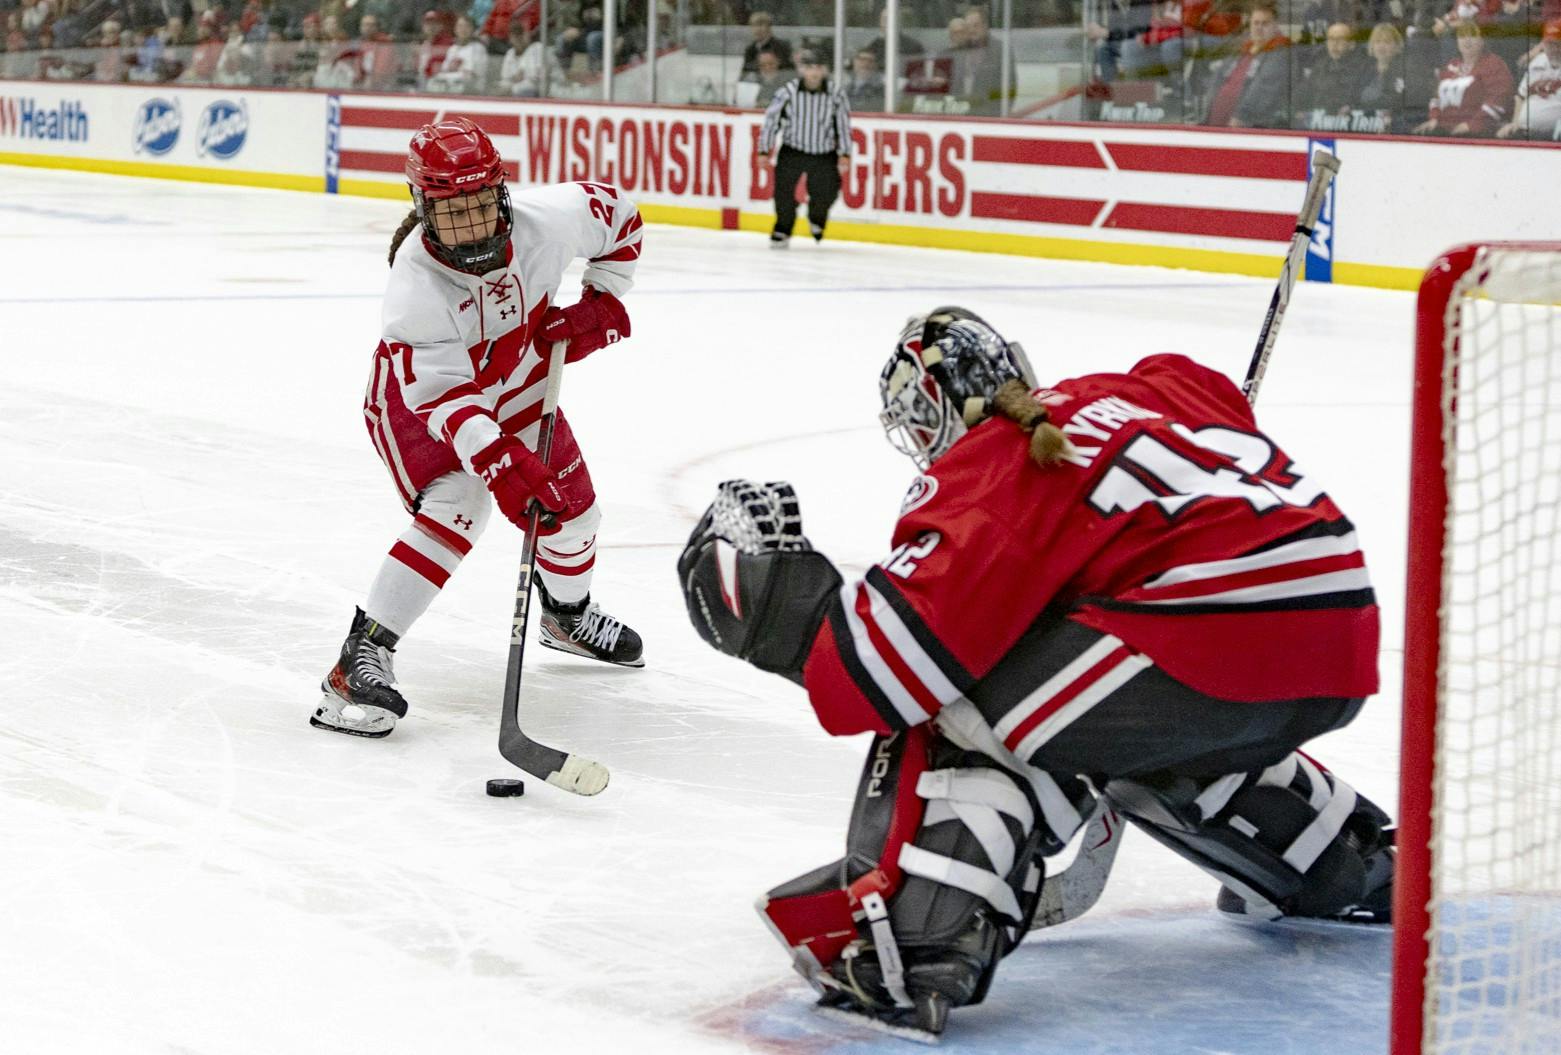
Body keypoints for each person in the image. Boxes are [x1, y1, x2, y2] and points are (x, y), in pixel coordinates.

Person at [677, 308, 1393, 1040]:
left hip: (1198, 635)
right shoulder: (1145, 388)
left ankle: (911, 948)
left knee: (966, 700)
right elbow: (1217, 400)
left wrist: (768, 606)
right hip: (1339, 633)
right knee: (1118, 711)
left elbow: (884, 664)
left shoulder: (991, 464)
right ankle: (1338, 859)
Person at [313, 117, 646, 740]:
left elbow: (621, 216)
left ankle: (567, 618)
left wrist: (604, 298)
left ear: (500, 191)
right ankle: (358, 661)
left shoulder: (552, 220)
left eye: (477, 205)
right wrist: (498, 464)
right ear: (421, 207)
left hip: (518, 376)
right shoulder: (415, 283)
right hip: (418, 403)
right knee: (460, 503)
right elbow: (445, 394)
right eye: (449, 210)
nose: (468, 224)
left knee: (575, 516)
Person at [758, 49, 852, 248]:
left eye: (819, 67)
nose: (815, 72)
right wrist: (764, 149)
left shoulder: (836, 94)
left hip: (823, 152)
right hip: (793, 149)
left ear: (825, 70)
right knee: (783, 192)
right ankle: (783, 228)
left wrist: (845, 153)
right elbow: (771, 121)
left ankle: (816, 217)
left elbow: (842, 125)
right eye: (810, 67)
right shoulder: (788, 92)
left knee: (828, 192)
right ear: (801, 69)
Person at [1203, 0, 1295, 127]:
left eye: (1265, 24)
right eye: (1255, 23)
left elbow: (1264, 89)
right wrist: (1205, 112)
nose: (1259, 27)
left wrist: (1240, 118)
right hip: (1215, 121)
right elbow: (1218, 78)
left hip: (1244, 126)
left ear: (1275, 26)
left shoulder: (1280, 52)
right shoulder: (1242, 49)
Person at [1413, 21, 1514, 134]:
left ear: (1482, 40)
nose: (1467, 40)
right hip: (1444, 130)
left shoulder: (1494, 64)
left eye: (1473, 35)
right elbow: (1436, 97)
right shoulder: (1451, 65)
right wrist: (1434, 119)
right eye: (1462, 36)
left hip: (1477, 133)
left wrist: (1470, 126)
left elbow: (1498, 100)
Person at [1495, 19, 1561, 139]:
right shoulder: (1537, 62)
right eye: (1549, 44)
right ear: (1543, 45)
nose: (1554, 49)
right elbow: (1520, 97)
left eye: (1558, 44)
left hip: (1552, 136)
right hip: (1524, 132)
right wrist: (1514, 124)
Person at [1299, 21, 1371, 122]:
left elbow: (1365, 100)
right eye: (1331, 39)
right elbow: (1304, 92)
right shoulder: (1320, 65)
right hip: (1318, 121)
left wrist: (1351, 107)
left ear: (1351, 44)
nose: (1334, 44)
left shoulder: (1364, 67)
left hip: (1348, 123)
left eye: (1340, 39)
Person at [497, 20, 561, 96]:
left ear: (528, 33)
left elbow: (535, 81)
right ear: (510, 38)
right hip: (525, 94)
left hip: (554, 94)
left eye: (520, 33)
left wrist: (514, 83)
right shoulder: (510, 53)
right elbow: (505, 79)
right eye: (515, 35)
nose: (518, 38)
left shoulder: (538, 48)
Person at [427, 13, 488, 92]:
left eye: (467, 26)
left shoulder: (478, 49)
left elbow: (469, 76)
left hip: (472, 92)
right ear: (455, 29)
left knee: (458, 86)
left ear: (473, 30)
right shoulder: (452, 49)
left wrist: (450, 75)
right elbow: (444, 71)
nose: (463, 29)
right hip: (451, 88)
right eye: (460, 26)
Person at [742, 10, 793, 75]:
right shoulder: (750, 49)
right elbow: (745, 72)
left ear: (769, 27)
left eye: (760, 25)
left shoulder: (782, 46)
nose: (757, 29)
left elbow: (788, 69)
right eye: (754, 25)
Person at [846, 47, 886, 111]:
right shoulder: (845, 89)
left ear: (876, 65)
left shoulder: (882, 91)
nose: (866, 64)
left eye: (870, 61)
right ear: (854, 62)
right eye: (862, 59)